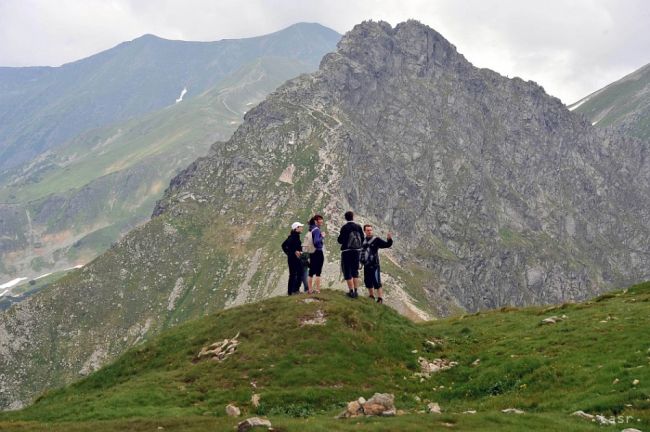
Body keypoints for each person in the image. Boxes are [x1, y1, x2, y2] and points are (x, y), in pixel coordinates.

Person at [361, 224, 393, 304]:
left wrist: (389, 239)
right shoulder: (363, 240)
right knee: (368, 281)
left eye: (370, 230)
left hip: (375, 265)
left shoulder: (376, 240)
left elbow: (387, 245)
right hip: (366, 265)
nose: (369, 232)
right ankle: (371, 296)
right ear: (364, 231)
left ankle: (380, 299)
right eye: (368, 230)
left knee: (377, 282)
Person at [337, 210, 364, 298]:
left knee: (347, 271)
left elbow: (340, 240)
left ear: (346, 218)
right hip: (357, 252)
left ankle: (351, 291)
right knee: (355, 271)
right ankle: (356, 291)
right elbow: (362, 239)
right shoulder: (358, 227)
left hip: (346, 252)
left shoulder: (344, 227)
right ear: (353, 217)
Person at [281, 222, 304, 295]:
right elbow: (285, 246)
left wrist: (297, 252)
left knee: (296, 273)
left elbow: (284, 245)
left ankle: (292, 291)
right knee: (296, 274)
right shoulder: (293, 237)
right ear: (296, 228)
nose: (302, 228)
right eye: (300, 226)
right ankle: (293, 291)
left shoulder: (294, 236)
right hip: (293, 259)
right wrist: (292, 253)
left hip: (294, 258)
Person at [307, 215, 326, 294]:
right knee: (318, 272)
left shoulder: (311, 229)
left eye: (321, 220)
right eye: (320, 220)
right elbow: (316, 242)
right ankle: (318, 290)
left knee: (311, 271)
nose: (321, 221)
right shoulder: (317, 230)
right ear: (316, 221)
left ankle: (310, 289)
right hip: (318, 251)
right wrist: (322, 236)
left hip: (312, 252)